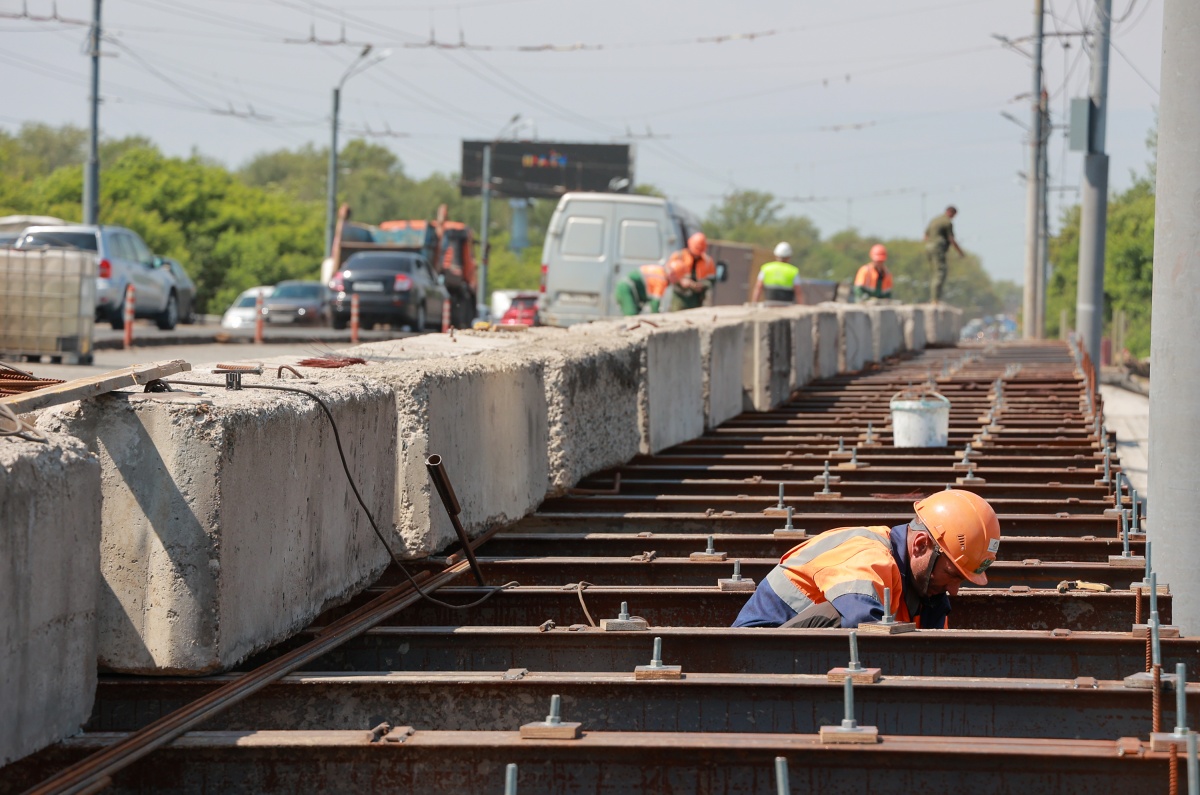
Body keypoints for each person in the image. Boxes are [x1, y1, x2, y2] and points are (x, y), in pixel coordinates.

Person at [732, 489, 1000, 629]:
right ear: (920, 545)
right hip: (754, 656)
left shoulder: (927, 596)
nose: (954, 589)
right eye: (953, 574)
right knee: (848, 617)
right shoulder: (868, 556)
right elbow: (864, 624)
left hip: (792, 659)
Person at [666, 232, 717, 311]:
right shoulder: (679, 256)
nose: (696, 254)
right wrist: (680, 280)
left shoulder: (708, 261)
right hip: (679, 297)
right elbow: (668, 274)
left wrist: (702, 285)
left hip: (697, 299)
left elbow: (712, 280)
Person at [923, 206, 963, 303]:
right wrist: (960, 252)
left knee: (934, 273)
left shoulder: (934, 220)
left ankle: (934, 298)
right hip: (938, 249)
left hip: (929, 248)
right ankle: (935, 299)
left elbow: (925, 235)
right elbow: (951, 239)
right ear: (951, 213)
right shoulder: (947, 222)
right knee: (940, 273)